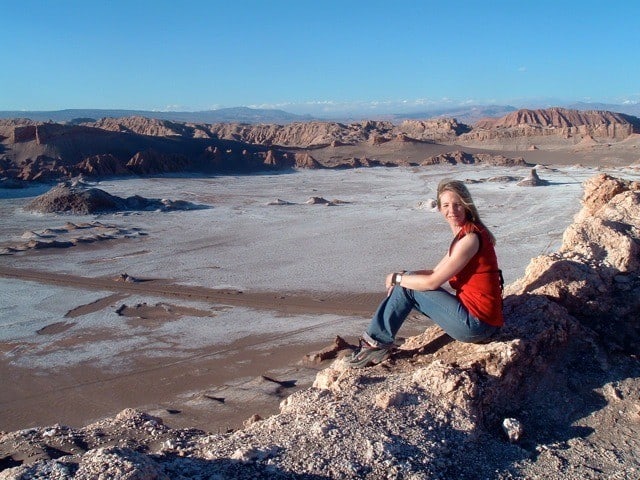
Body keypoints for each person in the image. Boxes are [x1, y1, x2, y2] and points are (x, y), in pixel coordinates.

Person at [345, 179, 504, 368]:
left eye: (457, 204)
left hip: (476, 326)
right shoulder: (468, 233)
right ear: (439, 209)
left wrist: (397, 279)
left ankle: (373, 345)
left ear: (467, 206)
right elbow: (436, 271)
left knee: (406, 288)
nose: (451, 210)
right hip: (483, 323)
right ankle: (375, 342)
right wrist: (403, 275)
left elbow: (432, 282)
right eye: (446, 205)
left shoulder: (469, 240)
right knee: (407, 280)